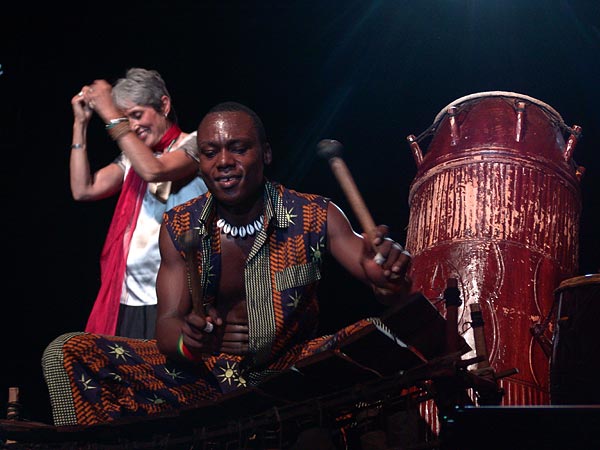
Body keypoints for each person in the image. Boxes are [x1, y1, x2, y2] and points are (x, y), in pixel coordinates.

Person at [42, 101, 412, 428]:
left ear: (265, 154)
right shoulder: (180, 227)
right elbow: (167, 327)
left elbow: (385, 286)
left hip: (290, 372)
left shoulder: (315, 215)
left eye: (238, 148)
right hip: (207, 376)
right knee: (70, 351)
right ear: (200, 162)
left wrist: (389, 275)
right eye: (210, 152)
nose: (224, 162)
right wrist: (192, 341)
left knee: (379, 335)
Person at [69, 67, 207, 339]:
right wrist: (80, 124)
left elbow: (154, 170)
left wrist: (110, 114)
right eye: (125, 118)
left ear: (164, 105)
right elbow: (83, 189)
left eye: (136, 115)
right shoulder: (134, 159)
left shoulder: (196, 145)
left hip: (176, 295)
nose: (131, 126)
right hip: (131, 297)